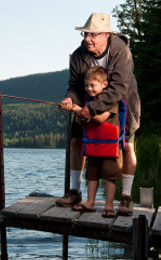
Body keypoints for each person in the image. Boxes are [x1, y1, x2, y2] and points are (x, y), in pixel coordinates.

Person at [55, 13, 140, 216]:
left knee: (127, 146)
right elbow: (75, 86)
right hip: (87, 103)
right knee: (76, 141)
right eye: (85, 34)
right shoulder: (78, 55)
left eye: (92, 35)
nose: (87, 39)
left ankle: (126, 197)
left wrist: (91, 110)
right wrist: (70, 99)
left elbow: (119, 87)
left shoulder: (121, 51)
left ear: (105, 35)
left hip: (124, 101)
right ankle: (75, 191)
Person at [69, 66, 124, 218]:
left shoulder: (109, 100)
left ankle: (109, 205)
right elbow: (82, 123)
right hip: (93, 145)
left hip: (109, 147)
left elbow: (100, 119)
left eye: (92, 85)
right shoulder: (88, 101)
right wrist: (79, 114)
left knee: (109, 176)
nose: (89, 88)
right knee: (91, 175)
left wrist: (79, 110)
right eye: (87, 85)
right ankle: (90, 202)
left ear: (104, 84)